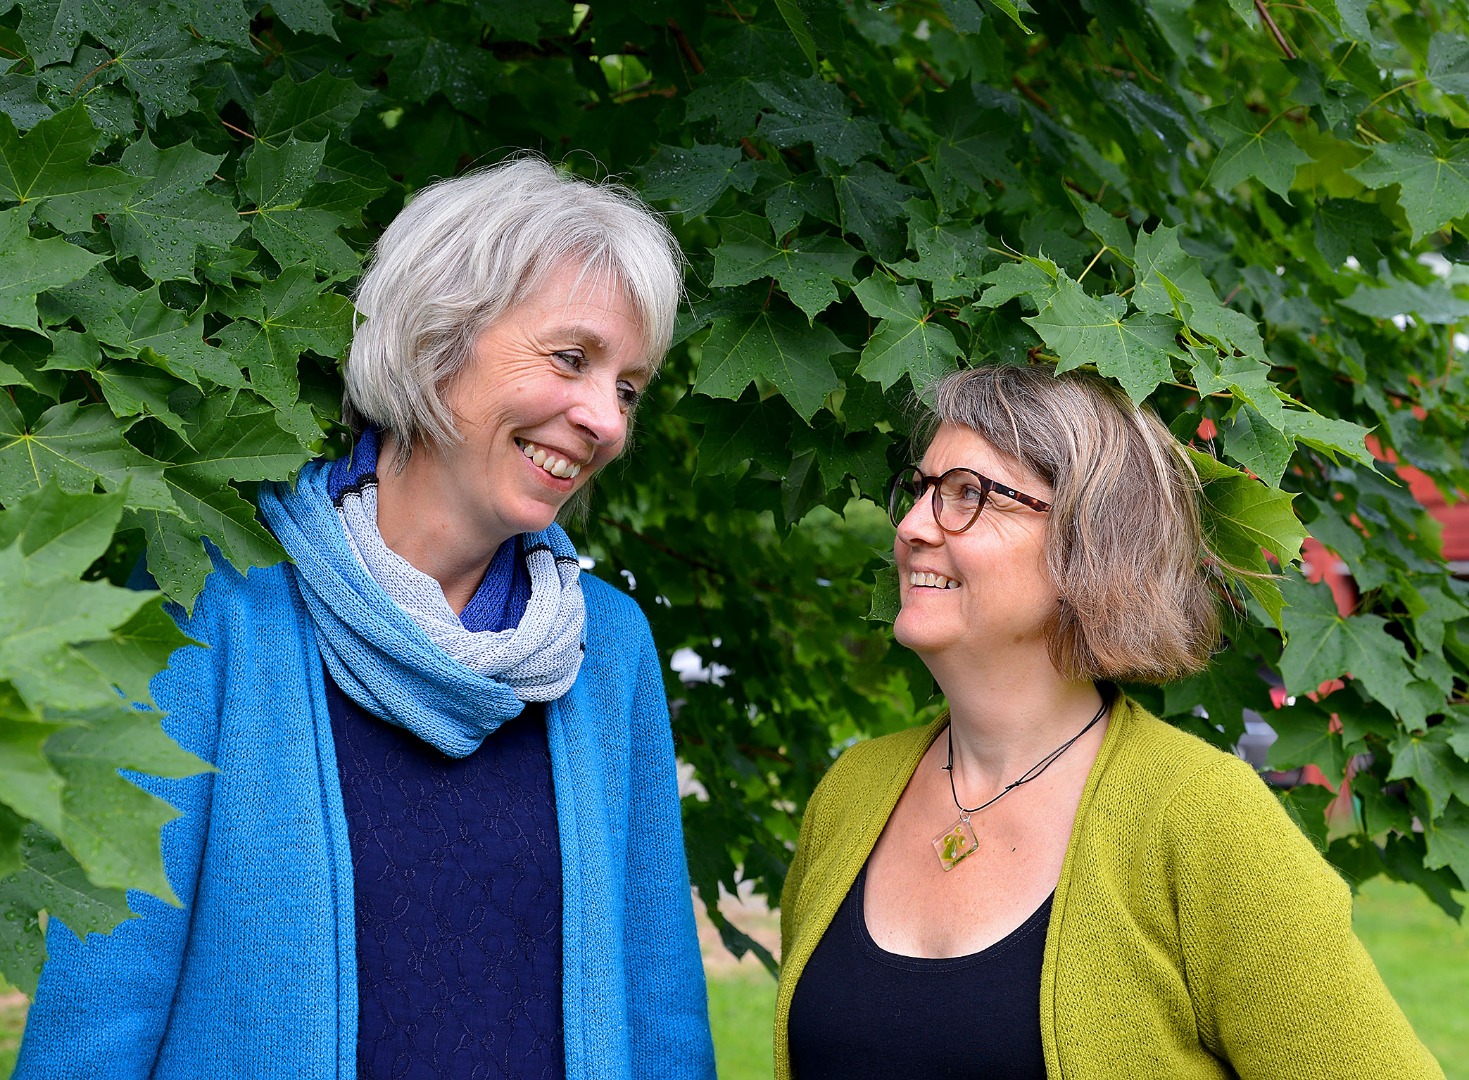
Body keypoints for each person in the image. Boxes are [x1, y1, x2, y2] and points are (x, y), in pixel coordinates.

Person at [17, 157, 716, 1080]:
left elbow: (658, 1005)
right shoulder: (221, 602)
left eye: (627, 387)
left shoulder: (607, 648)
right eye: (572, 358)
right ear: (437, 339)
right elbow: (106, 985)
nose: (605, 420)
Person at [775, 364, 1443, 1079]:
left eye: (966, 494)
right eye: (919, 491)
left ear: (1085, 544)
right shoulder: (851, 794)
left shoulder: (1203, 821)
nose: (910, 528)